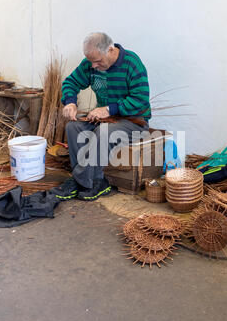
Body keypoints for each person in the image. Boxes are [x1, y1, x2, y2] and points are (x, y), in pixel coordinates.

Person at [52, 33, 152, 201]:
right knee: (73, 127)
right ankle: (89, 182)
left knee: (105, 132)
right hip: (105, 119)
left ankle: (87, 180)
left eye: (98, 61)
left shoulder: (132, 64)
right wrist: (70, 102)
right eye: (91, 61)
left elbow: (140, 100)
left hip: (134, 122)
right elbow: (71, 82)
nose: (94, 65)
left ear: (110, 50)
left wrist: (109, 109)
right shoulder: (90, 64)